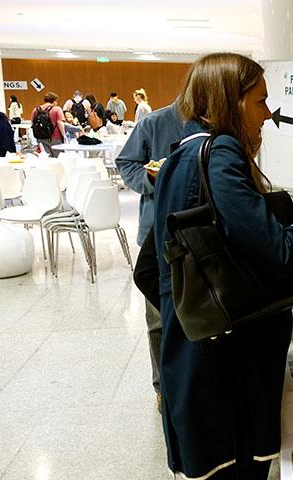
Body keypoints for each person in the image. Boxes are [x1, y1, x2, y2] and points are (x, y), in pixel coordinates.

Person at [152, 52, 293, 480]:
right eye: (260, 102)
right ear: (230, 101)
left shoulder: (179, 156)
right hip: (225, 372)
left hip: (194, 350)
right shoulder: (222, 153)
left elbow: (153, 267)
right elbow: (282, 254)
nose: (268, 115)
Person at [116, 99, 185, 412]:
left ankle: (193, 382)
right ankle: (163, 386)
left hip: (201, 232)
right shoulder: (153, 123)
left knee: (199, 315)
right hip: (156, 235)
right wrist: (150, 180)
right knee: (158, 316)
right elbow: (126, 163)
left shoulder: (215, 123)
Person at [31, 92, 66, 157]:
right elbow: (59, 123)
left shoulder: (36, 109)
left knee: (46, 157)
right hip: (55, 137)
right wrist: (64, 135)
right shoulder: (57, 109)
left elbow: (32, 123)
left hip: (41, 137)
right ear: (54, 100)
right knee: (58, 157)